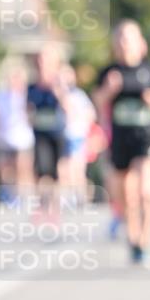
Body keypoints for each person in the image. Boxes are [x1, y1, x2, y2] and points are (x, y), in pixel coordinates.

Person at [93, 20, 150, 264]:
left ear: (141, 44)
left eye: (129, 39)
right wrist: (109, 90)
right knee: (127, 195)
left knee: (145, 191)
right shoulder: (109, 73)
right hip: (120, 140)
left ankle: (145, 242)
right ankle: (133, 238)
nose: (124, 44)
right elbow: (96, 104)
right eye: (120, 39)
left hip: (146, 138)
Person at [27, 46, 68, 218]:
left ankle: (55, 205)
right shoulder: (32, 87)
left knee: (57, 171)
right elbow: (27, 111)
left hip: (57, 133)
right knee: (42, 170)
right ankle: (43, 204)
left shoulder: (59, 84)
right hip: (39, 134)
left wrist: (58, 91)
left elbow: (68, 108)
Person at [0, 58, 34, 202]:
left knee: (23, 168)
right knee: (3, 170)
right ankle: (8, 194)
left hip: (22, 139)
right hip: (4, 138)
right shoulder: (0, 96)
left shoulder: (28, 96)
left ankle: (24, 197)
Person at [59, 63, 96, 205]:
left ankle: (80, 196)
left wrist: (82, 125)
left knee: (76, 167)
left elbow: (90, 114)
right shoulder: (58, 94)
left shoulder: (78, 95)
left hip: (77, 135)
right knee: (64, 167)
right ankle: (67, 196)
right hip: (63, 135)